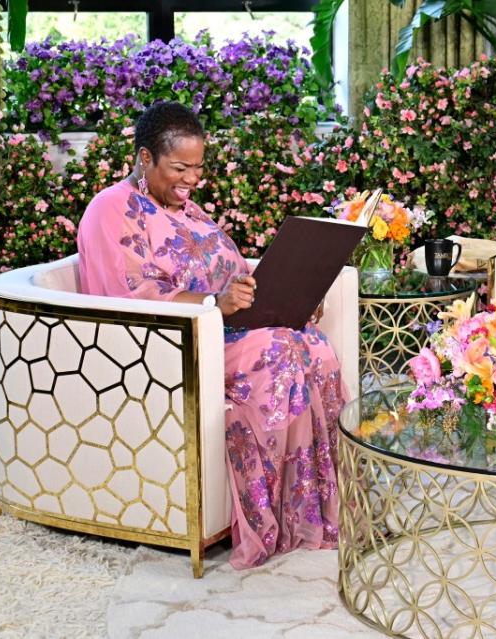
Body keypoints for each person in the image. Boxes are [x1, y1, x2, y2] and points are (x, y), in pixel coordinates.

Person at [77, 101, 345, 569]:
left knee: (314, 345)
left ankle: (313, 508)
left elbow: (235, 276)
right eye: (180, 167)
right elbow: (129, 295)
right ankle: (269, 518)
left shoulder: (191, 212)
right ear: (144, 158)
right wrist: (213, 305)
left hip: (223, 331)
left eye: (198, 169)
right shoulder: (111, 209)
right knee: (278, 350)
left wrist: (292, 295)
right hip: (169, 348)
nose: (191, 180)